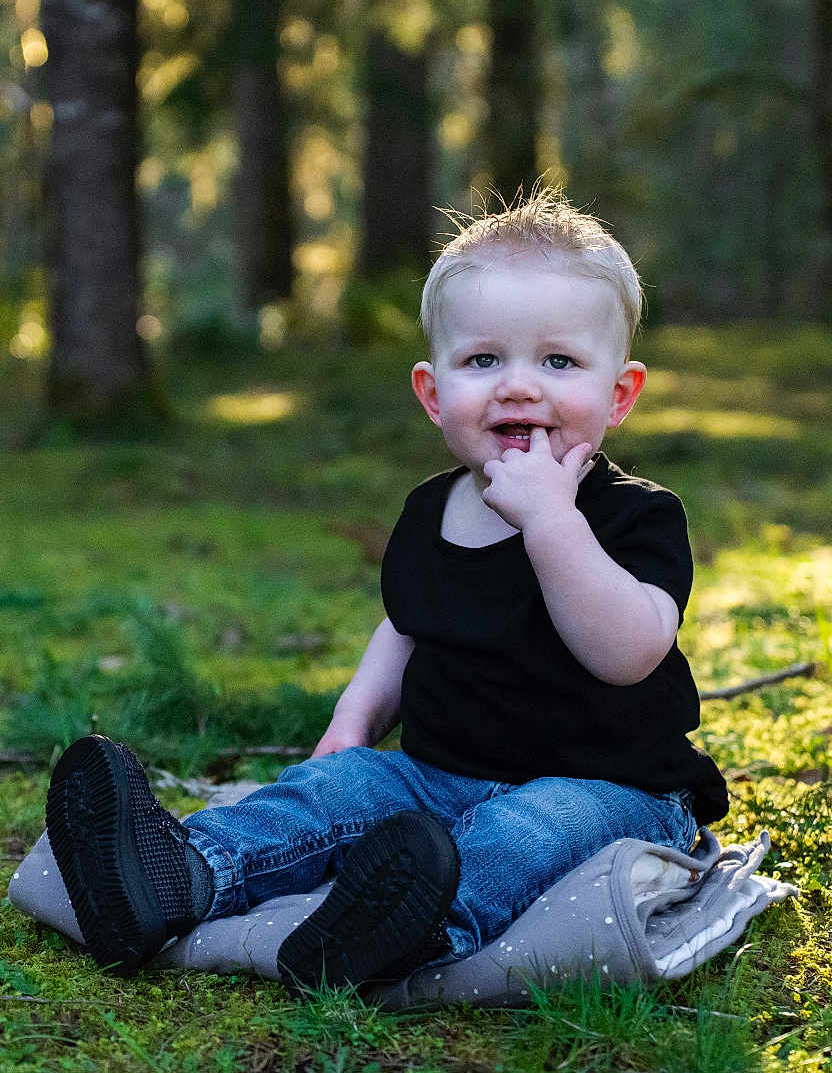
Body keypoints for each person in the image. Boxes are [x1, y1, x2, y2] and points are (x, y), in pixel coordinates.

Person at [45, 187, 729, 989]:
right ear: (434, 394)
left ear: (618, 395)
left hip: (610, 786)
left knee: (527, 835)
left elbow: (629, 653)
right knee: (330, 793)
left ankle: (412, 928)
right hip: (435, 771)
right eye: (483, 360)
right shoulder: (432, 511)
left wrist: (552, 524)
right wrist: (353, 720)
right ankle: (181, 874)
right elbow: (406, 626)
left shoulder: (635, 517)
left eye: (558, 361)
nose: (517, 386)